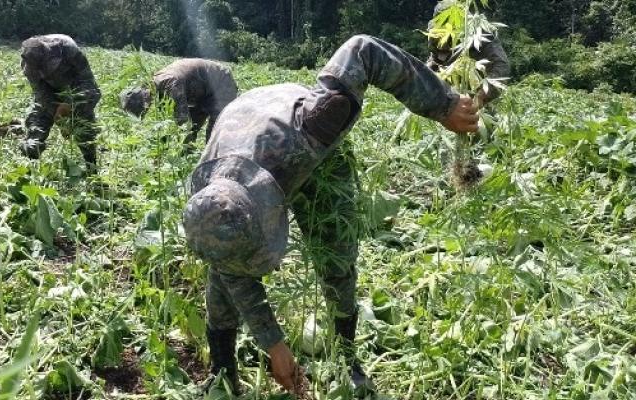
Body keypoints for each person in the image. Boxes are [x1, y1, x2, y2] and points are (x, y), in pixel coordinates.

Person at [182, 35, 480, 396]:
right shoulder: (210, 201)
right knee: (225, 263)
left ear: (266, 213)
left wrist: (443, 104)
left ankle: (347, 360)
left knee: (335, 255)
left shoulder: (316, 125)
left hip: (306, 151)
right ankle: (222, 371)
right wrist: (275, 345)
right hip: (241, 127)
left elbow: (363, 50)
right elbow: (232, 269)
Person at [19, 34, 101, 172]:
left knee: (84, 128)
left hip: (75, 86)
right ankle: (30, 171)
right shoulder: (29, 65)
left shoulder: (68, 49)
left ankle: (91, 168)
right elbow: (42, 96)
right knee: (36, 124)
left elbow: (91, 88)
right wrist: (60, 119)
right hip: (50, 91)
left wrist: (70, 107)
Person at [120, 58, 238, 145]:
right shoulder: (156, 85)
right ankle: (188, 158)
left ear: (143, 100)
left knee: (215, 133)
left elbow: (182, 120)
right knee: (192, 130)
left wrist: (164, 145)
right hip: (201, 92)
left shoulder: (170, 84)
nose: (148, 109)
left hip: (221, 84)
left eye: (144, 109)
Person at [427, 3, 511, 107]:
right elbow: (433, 61)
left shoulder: (481, 32)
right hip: (446, 100)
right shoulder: (435, 34)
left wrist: (481, 96)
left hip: (477, 95)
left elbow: (501, 66)